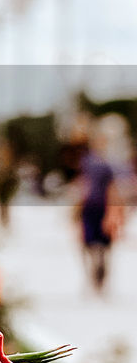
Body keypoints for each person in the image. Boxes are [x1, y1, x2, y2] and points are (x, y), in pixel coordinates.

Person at [73, 120, 126, 293]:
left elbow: (112, 189)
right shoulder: (86, 161)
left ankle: (101, 276)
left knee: (104, 247)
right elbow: (83, 185)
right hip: (89, 208)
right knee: (88, 245)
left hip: (102, 208)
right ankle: (93, 274)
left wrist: (115, 213)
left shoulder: (109, 164)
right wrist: (77, 208)